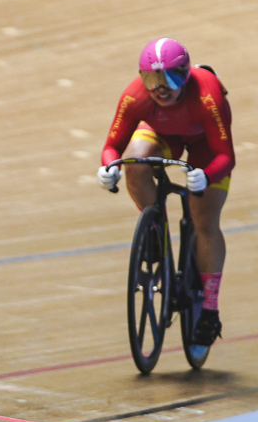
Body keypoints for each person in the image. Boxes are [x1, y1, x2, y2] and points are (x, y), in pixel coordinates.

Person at [96, 38, 234, 346]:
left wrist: (207, 175)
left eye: (170, 77)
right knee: (134, 161)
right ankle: (155, 233)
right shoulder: (135, 97)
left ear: (186, 74)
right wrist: (109, 168)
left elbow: (226, 156)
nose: (161, 87)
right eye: (152, 79)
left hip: (204, 143)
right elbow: (112, 147)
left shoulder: (208, 95)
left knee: (205, 221)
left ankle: (210, 309)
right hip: (162, 132)